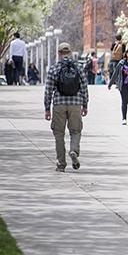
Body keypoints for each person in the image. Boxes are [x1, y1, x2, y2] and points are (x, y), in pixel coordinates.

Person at [44, 43, 89, 172]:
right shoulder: (79, 68)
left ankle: (61, 164)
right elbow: (84, 87)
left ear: (59, 53)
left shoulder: (54, 68)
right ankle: (73, 150)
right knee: (75, 131)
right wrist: (85, 104)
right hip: (75, 104)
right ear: (70, 52)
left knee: (59, 134)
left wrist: (47, 108)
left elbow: (48, 90)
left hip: (59, 104)